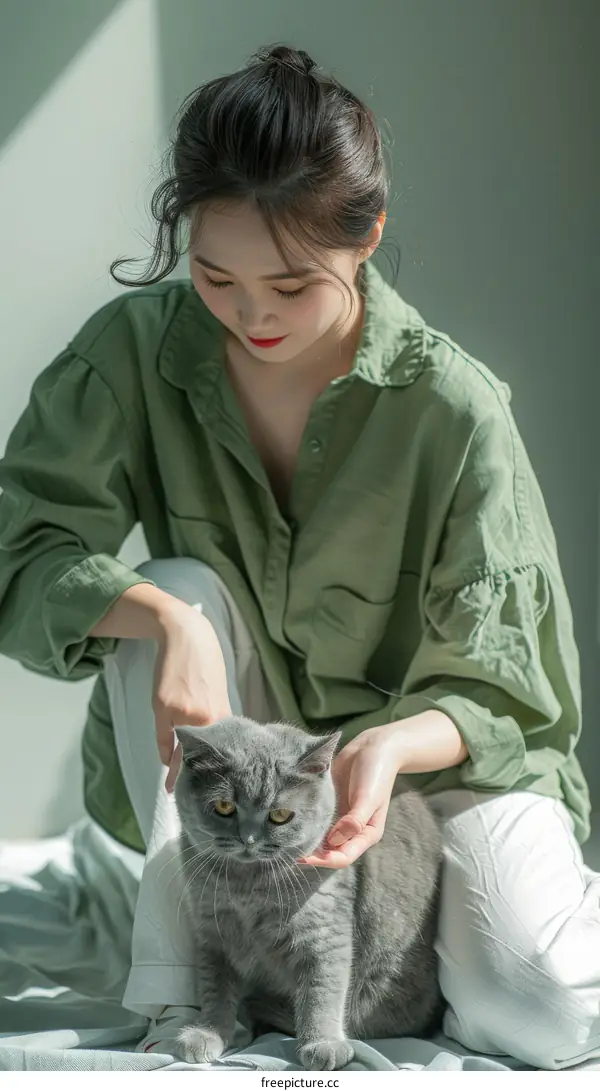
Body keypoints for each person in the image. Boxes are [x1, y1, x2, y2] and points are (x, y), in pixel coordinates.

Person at [0, 43, 598, 1071]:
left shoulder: (453, 408)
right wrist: (166, 618)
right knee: (170, 588)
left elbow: (509, 687)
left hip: (433, 761)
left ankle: (408, 944)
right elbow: (21, 544)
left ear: (365, 237)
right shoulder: (131, 351)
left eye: (291, 283)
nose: (252, 313)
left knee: (542, 1014)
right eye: (215, 273)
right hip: (243, 759)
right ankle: (179, 988)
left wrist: (383, 751)